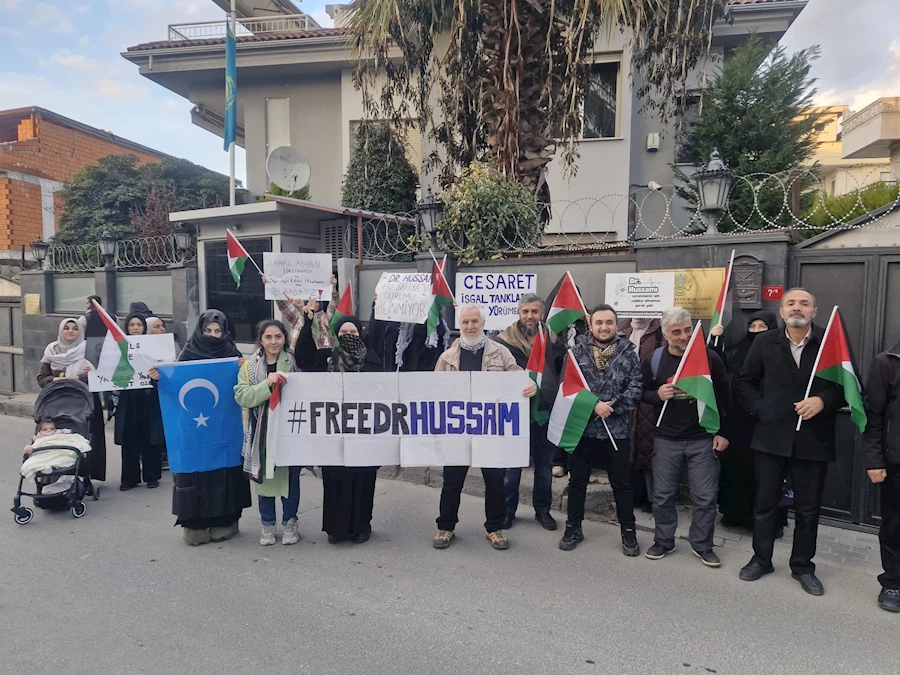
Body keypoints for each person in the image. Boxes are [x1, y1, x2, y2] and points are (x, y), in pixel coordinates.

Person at [736, 288, 845, 596]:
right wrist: (760, 408)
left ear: (814, 311)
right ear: (782, 312)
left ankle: (803, 566)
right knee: (764, 505)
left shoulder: (830, 343)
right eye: (791, 303)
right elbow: (744, 382)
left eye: (804, 303)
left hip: (814, 439)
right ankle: (761, 559)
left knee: (808, 510)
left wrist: (823, 401)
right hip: (771, 436)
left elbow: (849, 385)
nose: (797, 308)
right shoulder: (763, 342)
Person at [432, 305, 537, 551]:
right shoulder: (447, 357)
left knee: (495, 480)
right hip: (458, 430)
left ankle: (494, 527)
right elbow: (434, 389)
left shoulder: (500, 353)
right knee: (452, 480)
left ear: (483, 323)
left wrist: (529, 385)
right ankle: (445, 526)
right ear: (460, 324)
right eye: (465, 322)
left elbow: (518, 378)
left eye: (474, 322)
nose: (470, 326)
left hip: (491, 429)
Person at [149, 310, 252, 546]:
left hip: (224, 430)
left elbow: (248, 386)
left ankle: (226, 522)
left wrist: (246, 368)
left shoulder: (232, 355)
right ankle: (195, 526)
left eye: (218, 331)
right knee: (194, 474)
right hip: (192, 432)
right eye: (208, 331)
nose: (213, 336)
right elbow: (173, 388)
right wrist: (159, 378)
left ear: (225, 332)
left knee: (224, 473)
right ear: (200, 331)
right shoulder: (187, 356)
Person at [641, 306, 730, 567]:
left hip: (703, 438)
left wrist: (723, 432)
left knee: (705, 497)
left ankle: (702, 545)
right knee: (663, 495)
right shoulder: (654, 360)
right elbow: (640, 393)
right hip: (666, 438)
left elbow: (725, 396)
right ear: (665, 335)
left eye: (687, 330)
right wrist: (656, 395)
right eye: (676, 332)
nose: (683, 336)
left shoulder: (709, 358)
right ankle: (664, 540)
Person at [295, 296, 382, 544]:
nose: (348, 334)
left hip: (364, 432)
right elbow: (303, 357)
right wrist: (307, 321)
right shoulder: (326, 357)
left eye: (352, 330)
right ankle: (337, 528)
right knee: (335, 479)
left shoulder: (373, 359)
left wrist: (377, 307)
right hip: (333, 431)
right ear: (336, 333)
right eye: (343, 331)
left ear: (360, 333)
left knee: (363, 480)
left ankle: (362, 526)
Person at [560, 304, 643, 554]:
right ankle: (573, 526)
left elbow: (636, 389)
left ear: (616, 325)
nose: (604, 327)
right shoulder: (575, 354)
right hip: (583, 430)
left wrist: (613, 407)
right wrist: (593, 406)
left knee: (622, 484)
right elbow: (568, 389)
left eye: (609, 322)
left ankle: (628, 531)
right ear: (591, 325)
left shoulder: (629, 353)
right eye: (599, 322)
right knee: (577, 482)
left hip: (616, 430)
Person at [493, 293, 565, 531]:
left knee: (544, 467)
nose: (530, 316)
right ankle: (507, 511)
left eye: (534, 311)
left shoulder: (553, 340)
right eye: (525, 311)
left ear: (541, 314)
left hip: (544, 412)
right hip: (516, 413)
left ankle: (542, 511)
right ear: (519, 313)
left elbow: (563, 372)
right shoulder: (502, 342)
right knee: (512, 468)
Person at [235, 319, 302, 546]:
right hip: (260, 433)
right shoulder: (249, 366)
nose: (274, 342)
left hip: (289, 431)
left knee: (290, 481)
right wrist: (267, 385)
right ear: (261, 340)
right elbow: (242, 396)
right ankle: (268, 524)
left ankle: (290, 522)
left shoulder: (293, 361)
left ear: (284, 339)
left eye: (278, 337)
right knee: (264, 481)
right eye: (268, 337)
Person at [710, 311, 779, 529]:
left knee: (766, 476)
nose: (757, 331)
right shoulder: (736, 352)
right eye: (753, 327)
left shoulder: (780, 354)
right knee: (736, 471)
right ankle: (734, 516)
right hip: (738, 423)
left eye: (762, 327)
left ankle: (766, 523)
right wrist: (714, 341)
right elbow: (717, 371)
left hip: (766, 423)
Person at [37, 318, 106, 484]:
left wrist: (75, 378)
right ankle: (52, 477)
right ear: (61, 331)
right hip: (56, 403)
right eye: (66, 328)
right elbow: (41, 378)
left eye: (75, 328)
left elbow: (98, 374)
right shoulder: (51, 351)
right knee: (54, 438)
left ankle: (84, 476)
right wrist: (55, 380)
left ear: (80, 331)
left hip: (84, 402)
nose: (70, 331)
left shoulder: (88, 350)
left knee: (87, 438)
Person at [863, 339, 900, 612]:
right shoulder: (886, 362)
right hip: (895, 461)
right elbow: (874, 415)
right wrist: (874, 460)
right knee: (894, 526)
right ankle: (892, 583)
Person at [618, 316, 665, 511]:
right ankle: (631, 495)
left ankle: (651, 498)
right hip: (625, 395)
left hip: (648, 398)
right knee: (627, 446)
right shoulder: (621, 330)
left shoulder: (660, 331)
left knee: (647, 447)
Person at [114, 313, 162, 491]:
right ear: (126, 327)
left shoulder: (154, 346)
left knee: (150, 439)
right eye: (132, 325)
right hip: (128, 400)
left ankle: (151, 476)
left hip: (149, 398)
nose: (135, 328)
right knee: (129, 439)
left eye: (139, 325)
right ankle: (129, 478)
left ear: (144, 328)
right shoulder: (117, 347)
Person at [264, 273, 339, 350]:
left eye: (316, 301)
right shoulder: (297, 317)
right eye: (309, 300)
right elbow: (283, 305)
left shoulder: (325, 318)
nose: (312, 302)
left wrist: (333, 287)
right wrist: (270, 284)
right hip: (299, 358)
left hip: (321, 358)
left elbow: (334, 304)